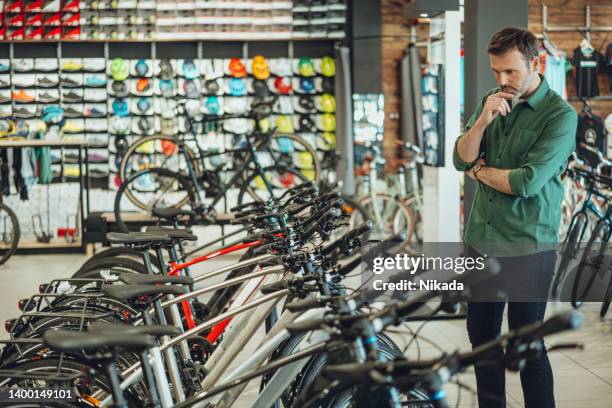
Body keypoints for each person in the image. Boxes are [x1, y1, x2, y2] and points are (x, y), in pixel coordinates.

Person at [453, 27, 577, 408]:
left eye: (510, 72)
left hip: (527, 246)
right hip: (481, 239)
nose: (502, 81)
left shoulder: (560, 116)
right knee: (483, 340)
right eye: (496, 72)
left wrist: (481, 173)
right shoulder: (492, 101)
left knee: (527, 346)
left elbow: (526, 182)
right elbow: (461, 157)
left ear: (534, 63)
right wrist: (480, 124)